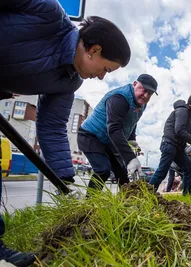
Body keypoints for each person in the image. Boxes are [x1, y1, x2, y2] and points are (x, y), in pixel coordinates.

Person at [0, 1, 130, 265]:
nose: (103, 77)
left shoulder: (69, 81)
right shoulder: (46, 12)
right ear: (94, 50)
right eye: (106, 69)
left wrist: (66, 183)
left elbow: (51, 127)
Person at [78, 74, 158, 193]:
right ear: (135, 84)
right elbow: (114, 129)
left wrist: (131, 138)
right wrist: (131, 158)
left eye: (150, 94)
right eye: (144, 90)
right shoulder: (119, 98)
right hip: (91, 136)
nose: (146, 95)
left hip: (110, 140)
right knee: (103, 170)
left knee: (122, 174)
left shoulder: (141, 103)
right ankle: (89, 205)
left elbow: (132, 120)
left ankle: (128, 204)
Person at [149, 95, 191, 195]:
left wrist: (190, 142)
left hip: (178, 147)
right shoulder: (183, 111)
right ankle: (147, 195)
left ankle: (187, 194)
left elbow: (182, 132)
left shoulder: (188, 113)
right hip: (169, 144)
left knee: (189, 168)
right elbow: (179, 130)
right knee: (162, 171)